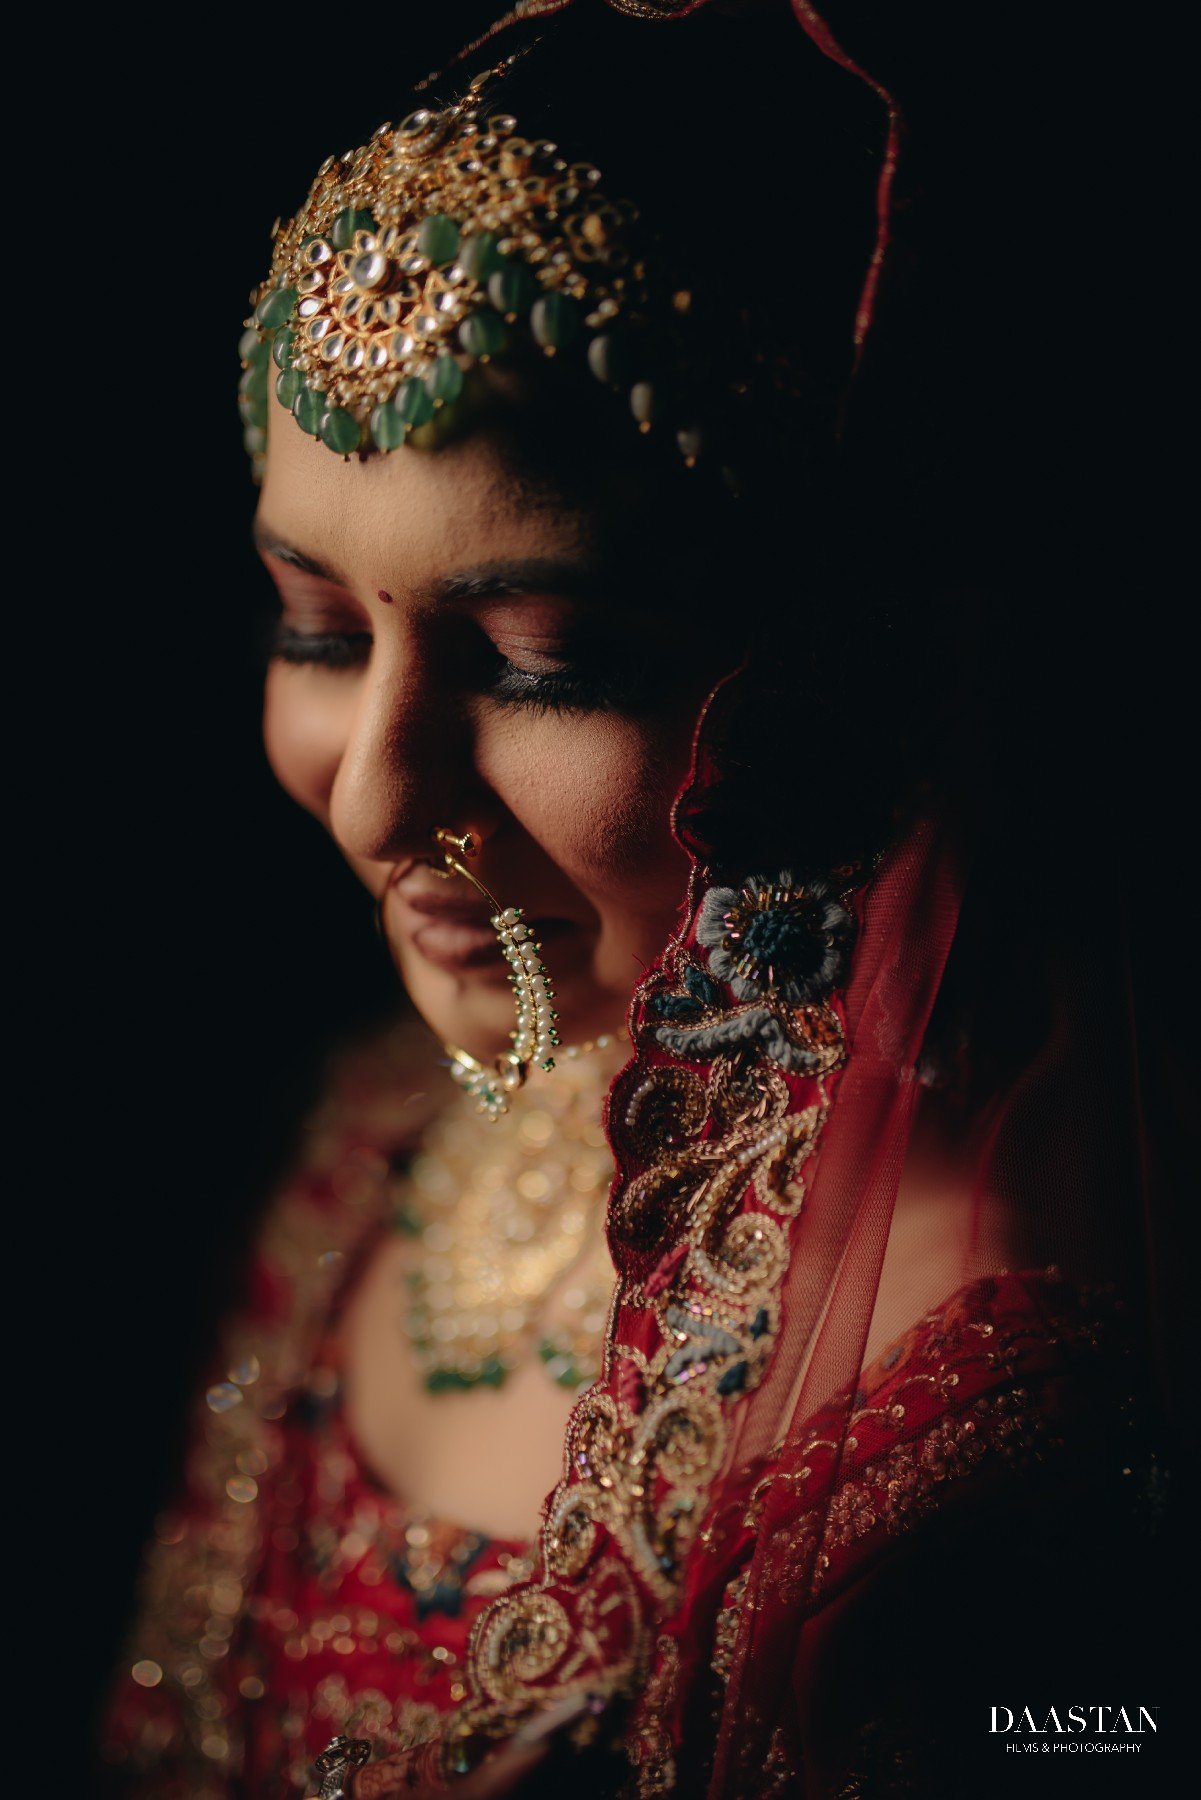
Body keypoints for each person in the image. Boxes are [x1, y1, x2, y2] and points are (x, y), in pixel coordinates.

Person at [99, 3, 1180, 1796]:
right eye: (317, 629)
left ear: (841, 675)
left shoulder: (971, 1432)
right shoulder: (374, 1128)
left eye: (544, 662)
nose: (374, 799)